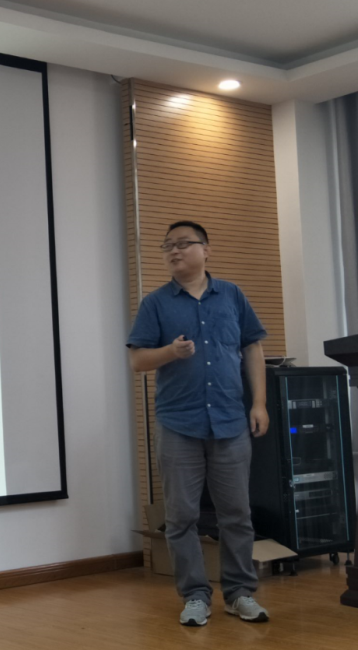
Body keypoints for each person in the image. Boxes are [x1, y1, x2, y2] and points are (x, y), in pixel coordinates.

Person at [126, 221, 270, 626]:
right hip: (179, 424)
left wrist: (259, 403)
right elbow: (137, 360)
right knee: (181, 517)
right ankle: (194, 596)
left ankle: (239, 593)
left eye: (184, 243)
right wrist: (169, 352)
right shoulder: (155, 303)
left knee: (236, 514)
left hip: (229, 420)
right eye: (167, 246)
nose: (174, 251)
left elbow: (252, 347)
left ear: (206, 250)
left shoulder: (232, 295)